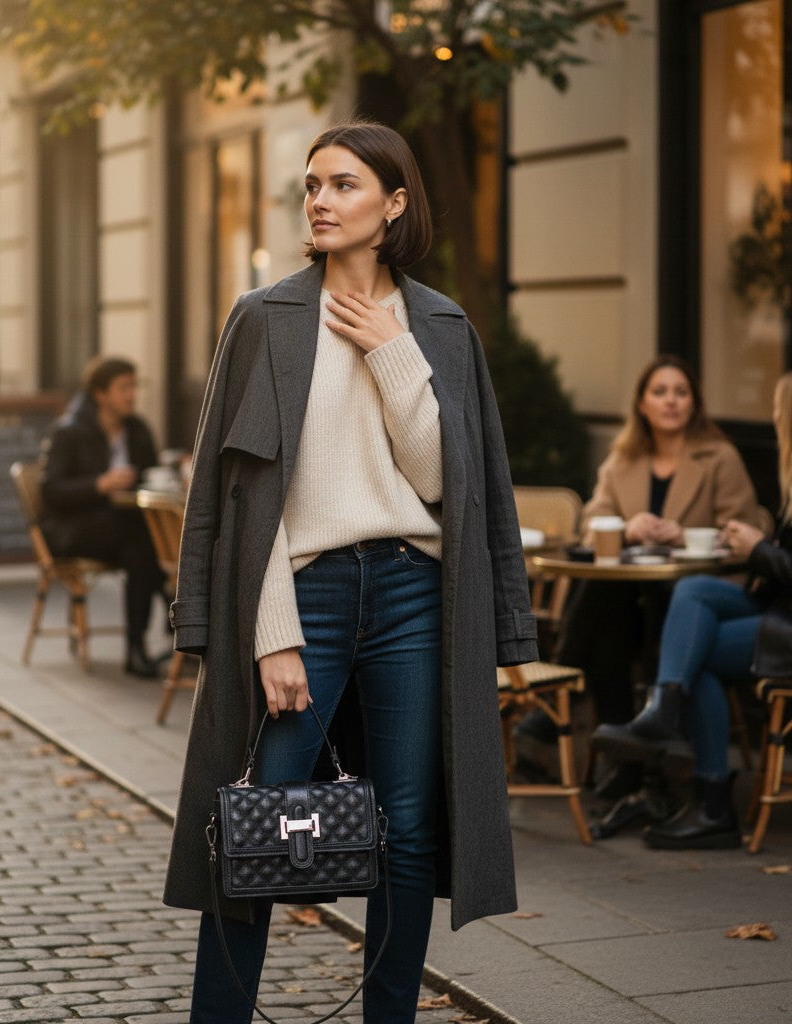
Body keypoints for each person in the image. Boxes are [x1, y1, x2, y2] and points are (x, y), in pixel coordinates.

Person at [162, 121, 537, 1024]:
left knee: (406, 831)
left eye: (343, 185)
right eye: (312, 185)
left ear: (394, 204)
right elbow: (237, 493)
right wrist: (272, 631)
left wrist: (390, 349)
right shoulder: (266, 318)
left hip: (414, 593)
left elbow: (448, 482)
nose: (320, 201)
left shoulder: (440, 325)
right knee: (256, 825)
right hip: (306, 595)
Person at [593, 367, 792, 849]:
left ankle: (712, 803)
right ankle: (666, 713)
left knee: (701, 654)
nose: (774, 418)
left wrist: (759, 550)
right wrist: (757, 550)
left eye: (779, 409)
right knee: (695, 590)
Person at [522, 356, 759, 800]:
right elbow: (592, 523)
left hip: (691, 602)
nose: (671, 401)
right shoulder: (623, 458)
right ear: (642, 404)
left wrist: (683, 535)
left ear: (694, 403)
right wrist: (628, 529)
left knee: (606, 608)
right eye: (660, 392)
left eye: (681, 392)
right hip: (630, 601)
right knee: (607, 606)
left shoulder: (720, 457)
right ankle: (632, 764)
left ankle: (574, 713)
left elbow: (743, 531)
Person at [40, 355, 166, 679]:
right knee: (145, 540)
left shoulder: (137, 429)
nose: (131, 395)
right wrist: (100, 484)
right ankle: (170, 602)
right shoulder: (69, 431)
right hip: (72, 529)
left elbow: (151, 474)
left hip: (123, 529)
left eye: (134, 386)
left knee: (141, 549)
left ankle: (137, 648)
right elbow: (51, 490)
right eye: (123, 388)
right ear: (100, 394)